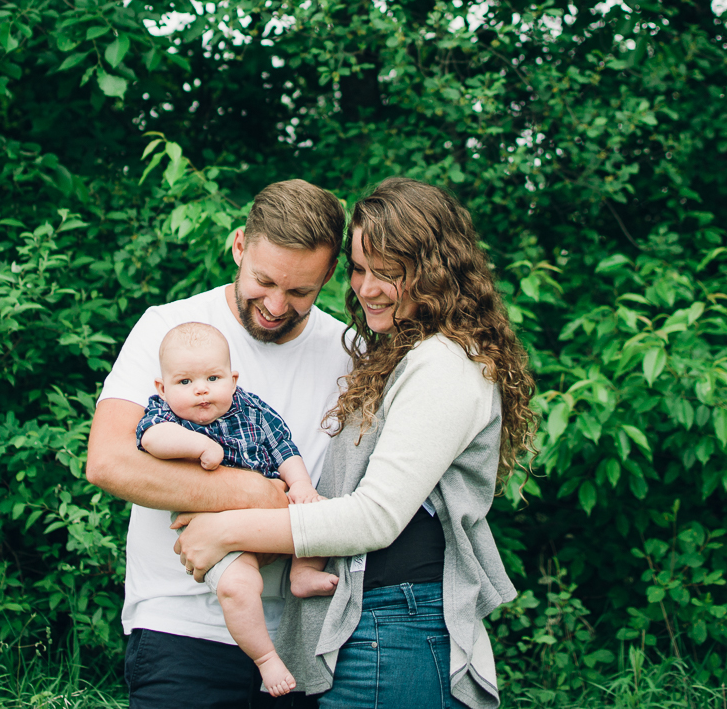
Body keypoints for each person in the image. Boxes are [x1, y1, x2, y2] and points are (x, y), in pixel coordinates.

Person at [171, 178, 535, 709]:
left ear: (435, 270)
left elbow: (374, 518)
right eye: (360, 268)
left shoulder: (443, 363)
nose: (366, 288)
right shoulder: (402, 353)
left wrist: (225, 528)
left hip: (398, 625)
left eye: (388, 272)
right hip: (378, 623)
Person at [87, 179, 353, 709]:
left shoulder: (349, 354)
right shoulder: (167, 329)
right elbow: (110, 462)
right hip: (181, 632)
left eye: (300, 291)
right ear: (238, 247)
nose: (277, 305)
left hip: (304, 641)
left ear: (328, 274)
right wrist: (258, 495)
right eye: (264, 281)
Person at [135, 321, 339, 697]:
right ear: (162, 389)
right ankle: (266, 658)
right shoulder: (166, 416)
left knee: (321, 514)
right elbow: (150, 439)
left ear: (232, 378)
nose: (201, 389)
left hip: (270, 518)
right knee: (240, 587)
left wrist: (302, 486)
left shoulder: (252, 408)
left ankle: (303, 572)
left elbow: (284, 447)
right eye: (184, 383)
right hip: (216, 534)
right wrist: (197, 445)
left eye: (213, 378)